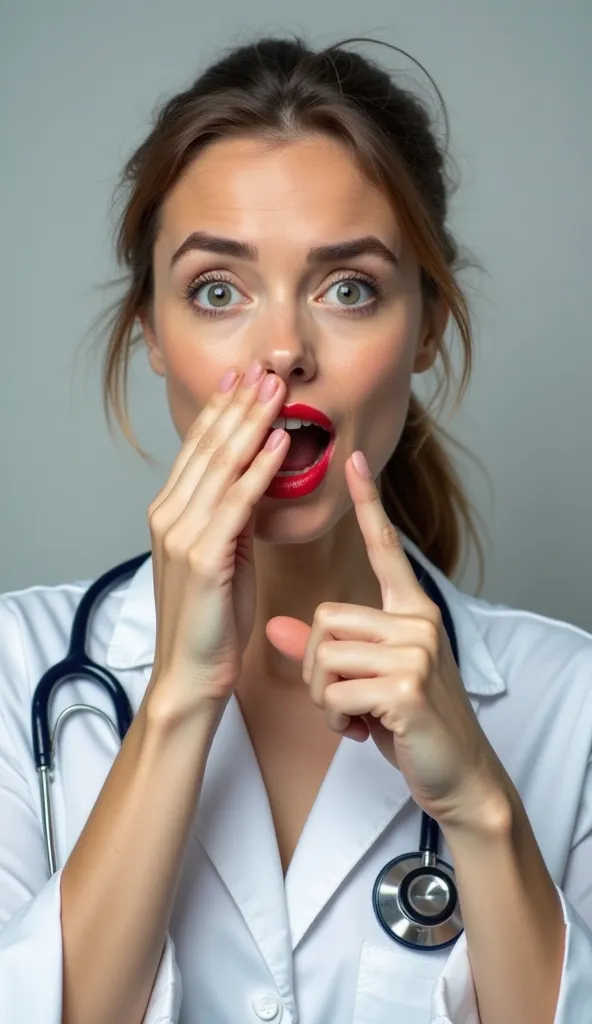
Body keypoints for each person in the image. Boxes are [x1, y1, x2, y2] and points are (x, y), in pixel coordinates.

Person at [0, 34, 591, 1024]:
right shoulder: (18, 675)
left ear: (428, 324)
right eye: (217, 290)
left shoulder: (568, 704)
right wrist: (181, 699)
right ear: (150, 329)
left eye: (348, 287)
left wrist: (483, 809)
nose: (283, 347)